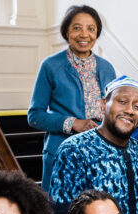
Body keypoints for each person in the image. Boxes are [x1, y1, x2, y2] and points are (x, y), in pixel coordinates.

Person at [49, 76, 138, 214]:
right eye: (122, 102)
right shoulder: (75, 148)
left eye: (137, 107)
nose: (129, 110)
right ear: (104, 103)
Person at [28, 4, 116, 191]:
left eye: (91, 29)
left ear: (97, 33)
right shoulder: (51, 66)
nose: (84, 34)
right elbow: (34, 116)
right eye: (77, 28)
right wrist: (74, 123)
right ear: (66, 31)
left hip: (100, 153)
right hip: (62, 151)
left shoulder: (107, 68)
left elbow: (112, 109)